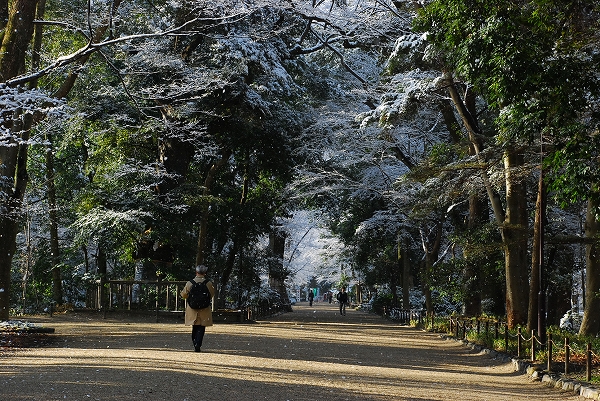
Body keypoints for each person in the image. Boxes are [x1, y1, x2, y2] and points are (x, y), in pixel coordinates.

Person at [180, 264, 215, 352]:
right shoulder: (208, 283)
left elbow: (183, 295)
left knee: (194, 326)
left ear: (196, 272)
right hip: (204, 308)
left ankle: (195, 342)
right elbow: (211, 294)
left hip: (192, 308)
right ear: (205, 273)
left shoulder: (190, 283)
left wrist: (191, 297)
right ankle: (198, 343)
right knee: (201, 327)